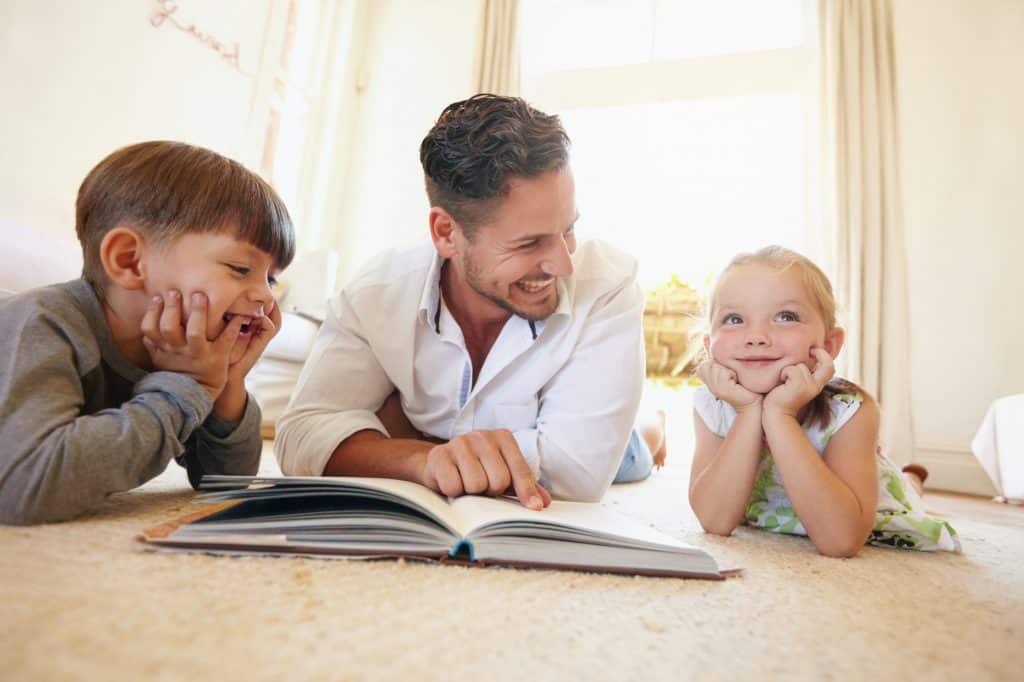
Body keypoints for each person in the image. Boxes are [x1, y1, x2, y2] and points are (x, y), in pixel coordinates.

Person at [276, 94, 655, 508]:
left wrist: (395, 440)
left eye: (567, 229)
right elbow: (300, 436)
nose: (564, 265)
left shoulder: (609, 285)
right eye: (529, 244)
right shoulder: (376, 294)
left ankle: (653, 427)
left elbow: (578, 473)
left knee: (634, 456)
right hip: (521, 431)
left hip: (592, 421)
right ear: (446, 233)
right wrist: (423, 458)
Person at [0, 141, 295, 524]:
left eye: (271, 279)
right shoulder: (43, 321)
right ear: (129, 261)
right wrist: (186, 387)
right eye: (240, 268)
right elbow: (26, 488)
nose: (264, 296)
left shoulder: (180, 352)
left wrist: (227, 384)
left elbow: (226, 482)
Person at [690, 245, 960, 556]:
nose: (756, 336)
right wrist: (749, 411)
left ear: (829, 345)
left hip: (869, 501)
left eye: (785, 316)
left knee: (904, 491)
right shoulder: (711, 405)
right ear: (710, 346)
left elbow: (840, 541)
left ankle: (911, 480)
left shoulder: (850, 409)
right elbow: (715, 521)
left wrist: (780, 415)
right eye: (735, 319)